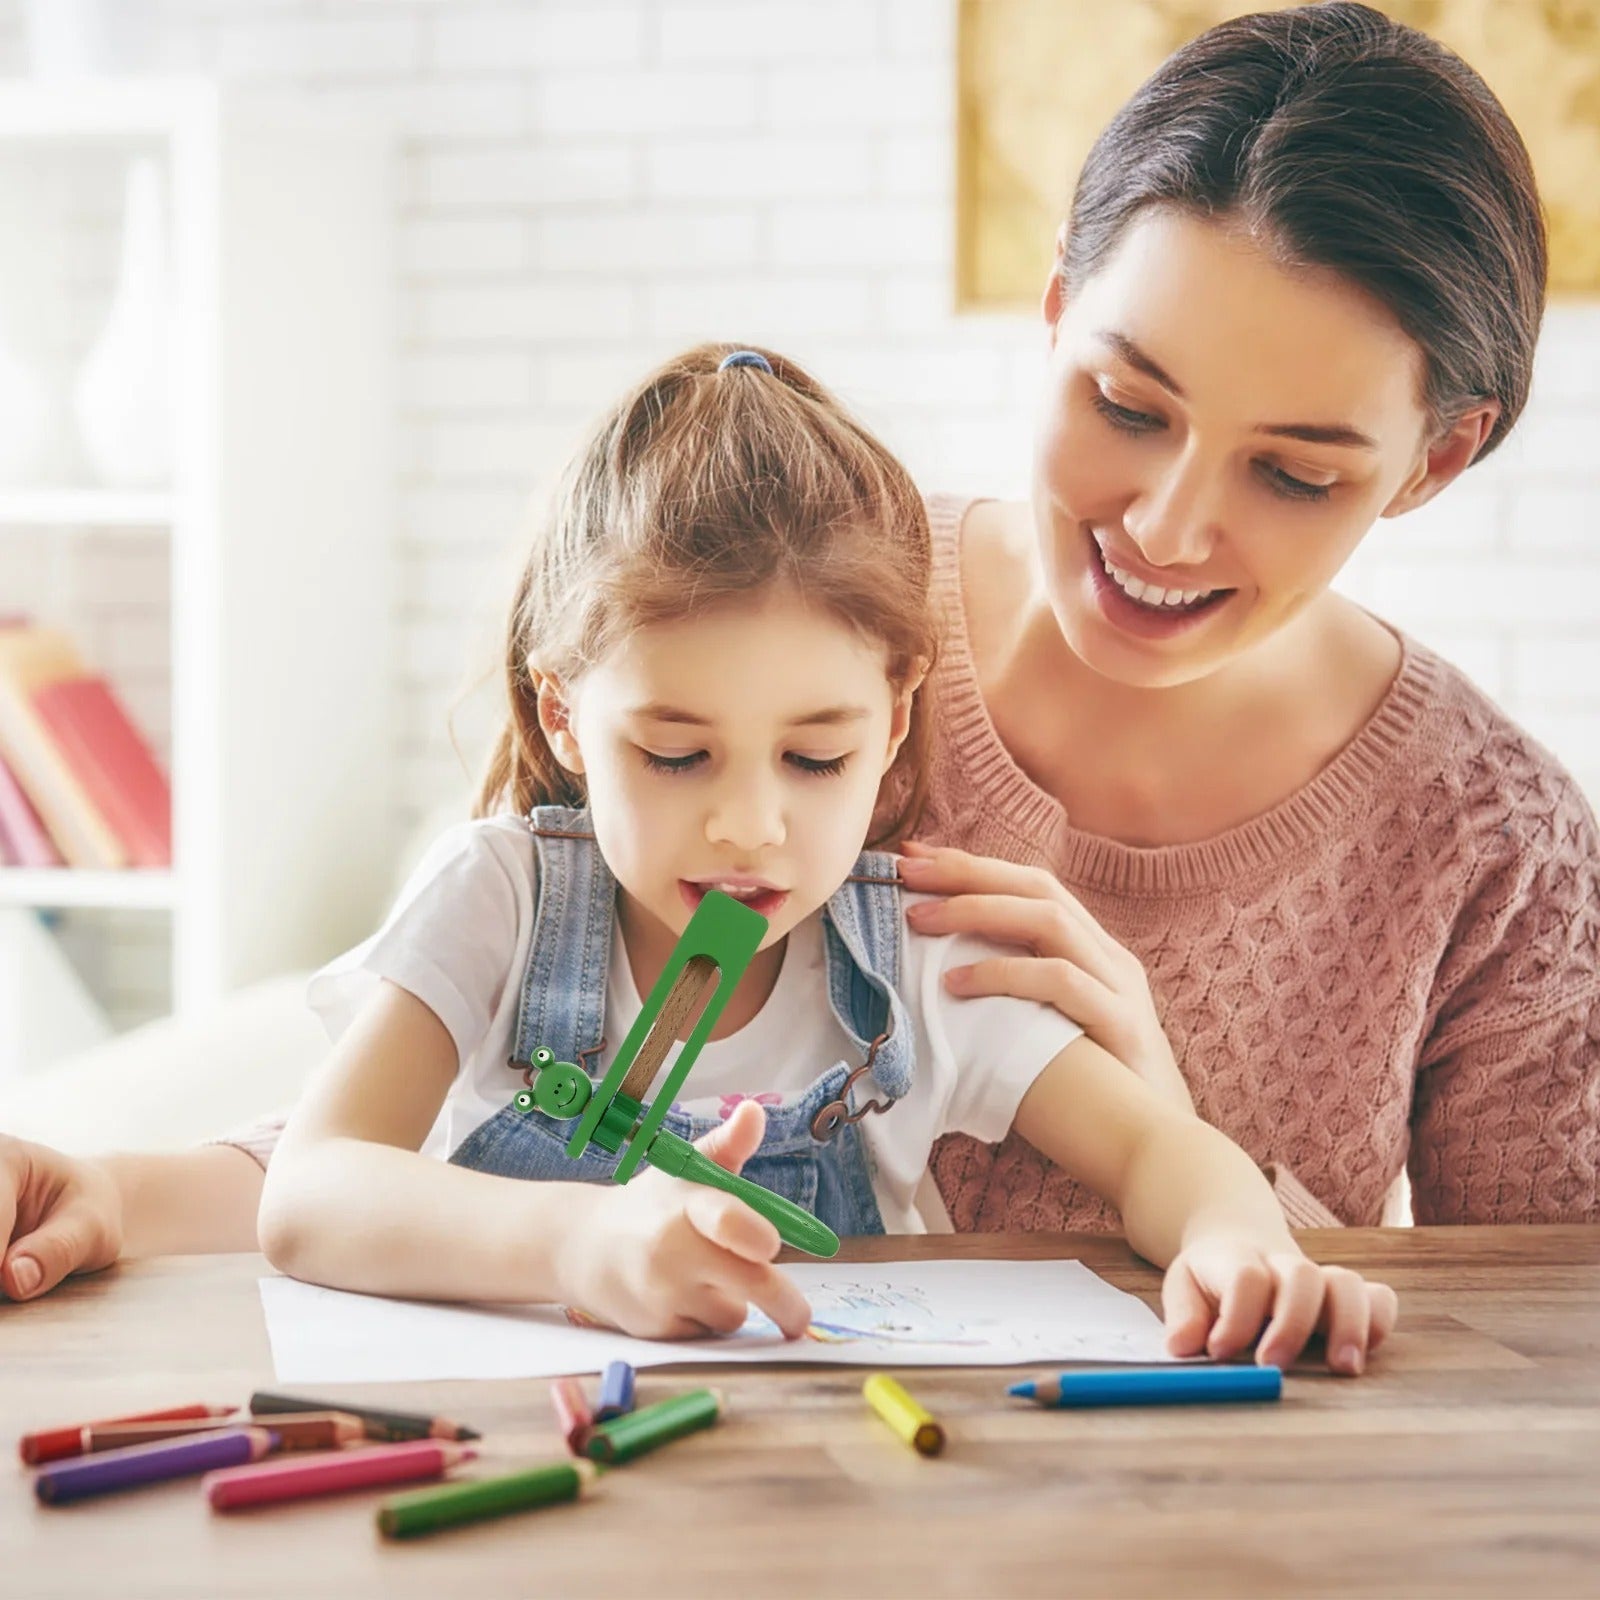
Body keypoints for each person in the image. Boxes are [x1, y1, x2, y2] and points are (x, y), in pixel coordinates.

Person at [6, 0, 1595, 1305]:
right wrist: (130, 1190)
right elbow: (456, 1111)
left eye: (1295, 471)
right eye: (1127, 403)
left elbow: (1536, 1338)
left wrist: (1210, 1169)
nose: (1170, 525)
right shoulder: (805, 593)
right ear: (1053, 315)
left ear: (1434, 463)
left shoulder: (1494, 854)